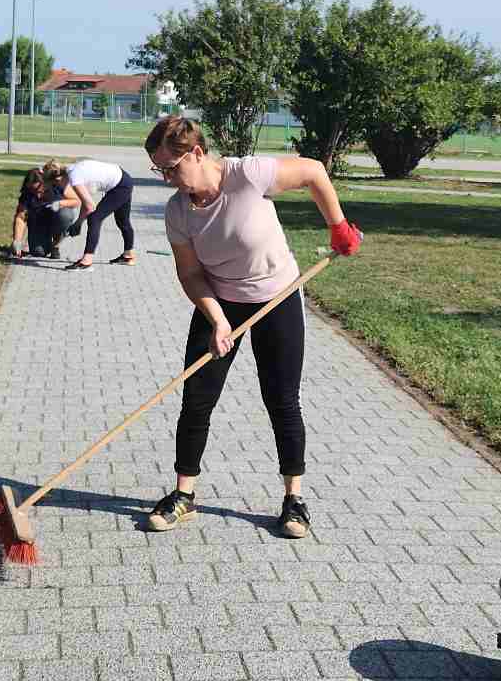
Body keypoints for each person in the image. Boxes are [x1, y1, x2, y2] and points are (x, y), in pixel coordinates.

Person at [143, 116, 362, 539]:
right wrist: (218, 320)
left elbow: (314, 171)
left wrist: (338, 227)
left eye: (171, 168)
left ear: (197, 153)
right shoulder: (178, 211)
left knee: (281, 399)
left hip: (277, 296)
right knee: (197, 397)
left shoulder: (247, 175)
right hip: (220, 302)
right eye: (160, 170)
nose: (167, 179)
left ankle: (294, 500)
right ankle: (184, 495)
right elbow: (190, 274)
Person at [41, 157, 136, 269]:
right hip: (123, 179)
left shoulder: (74, 178)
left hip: (121, 185)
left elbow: (90, 207)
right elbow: (86, 202)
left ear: (58, 179)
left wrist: (78, 223)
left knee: (94, 218)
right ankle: (128, 255)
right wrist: (78, 223)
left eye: (55, 185)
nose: (58, 188)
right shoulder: (72, 171)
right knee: (122, 221)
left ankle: (86, 260)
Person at [9, 166, 78, 260]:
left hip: (56, 219)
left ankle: (55, 245)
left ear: (46, 182)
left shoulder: (57, 184)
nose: (37, 194)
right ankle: (45, 243)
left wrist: (60, 203)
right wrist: (17, 241)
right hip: (38, 223)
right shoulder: (27, 193)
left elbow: (76, 201)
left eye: (40, 190)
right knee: (38, 252)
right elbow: (21, 218)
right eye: (33, 190)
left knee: (65, 215)